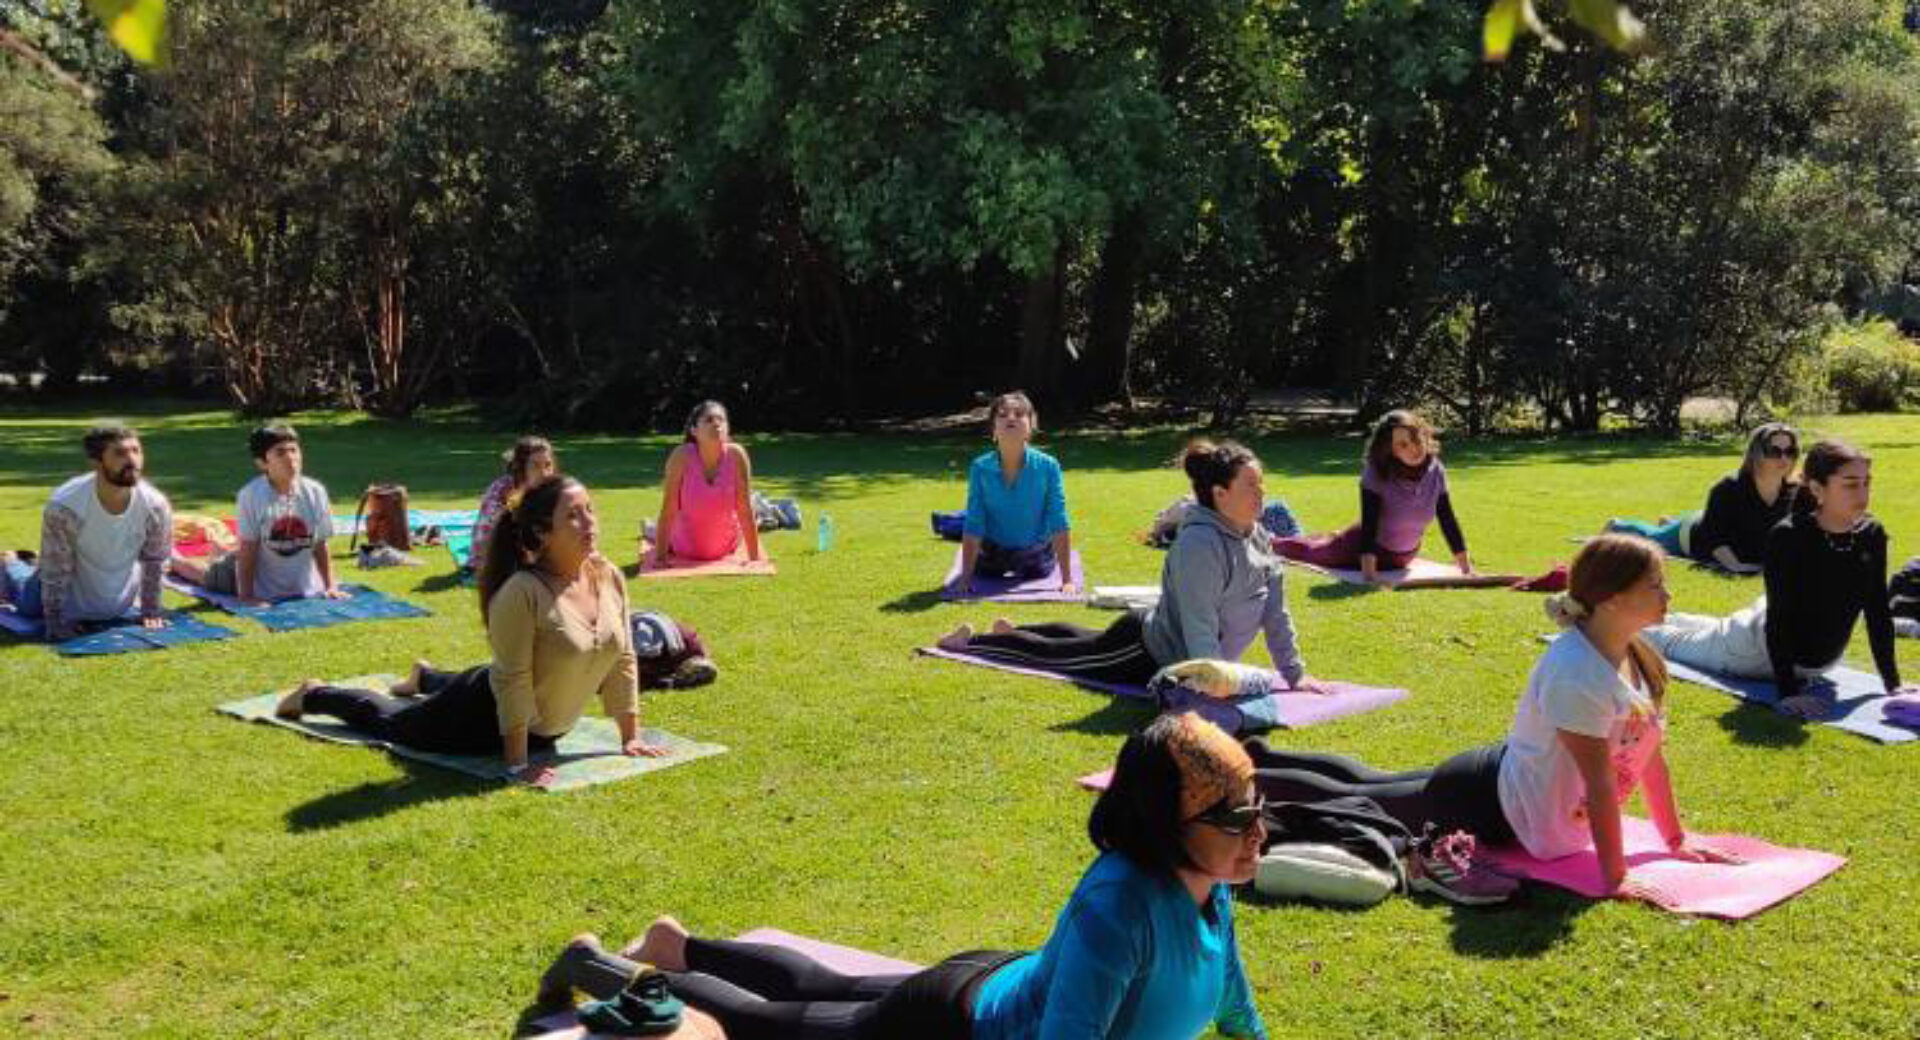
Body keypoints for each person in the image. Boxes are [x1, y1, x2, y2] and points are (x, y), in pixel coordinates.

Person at [535, 712, 1269, 1039]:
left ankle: (676, 942)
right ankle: (602, 970)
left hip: (998, 979)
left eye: (1257, 806)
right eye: (1235, 817)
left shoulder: (1209, 889)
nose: (1257, 833)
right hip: (952, 1024)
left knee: (831, 983)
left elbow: (1230, 994)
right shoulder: (1122, 907)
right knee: (776, 1024)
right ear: (1168, 825)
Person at [1248, 535, 1734, 898]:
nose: (1668, 594)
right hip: (1484, 799)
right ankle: (1245, 772)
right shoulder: (1577, 672)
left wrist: (1675, 838)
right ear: (1612, 598)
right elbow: (1600, 781)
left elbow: (1648, 754)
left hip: (1509, 779)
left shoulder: (1638, 656)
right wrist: (1617, 878)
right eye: (1655, 585)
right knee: (1359, 798)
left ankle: (1257, 755)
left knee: (1374, 782)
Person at [274, 476, 667, 784]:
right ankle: (315, 694)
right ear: (544, 533)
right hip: (482, 715)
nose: (589, 523)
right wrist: (517, 763)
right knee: (391, 721)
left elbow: (623, 657)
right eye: (574, 515)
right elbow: (514, 679)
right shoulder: (522, 591)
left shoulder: (608, 576)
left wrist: (629, 737)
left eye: (590, 510)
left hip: (533, 718)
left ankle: (424, 676)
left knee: (484, 676)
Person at [938, 439, 1327, 692]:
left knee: (1082, 639)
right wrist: (1213, 684)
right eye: (1252, 486)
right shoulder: (1199, 546)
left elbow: (1276, 612)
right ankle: (973, 642)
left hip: (1153, 632)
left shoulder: (1259, 538)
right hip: (1148, 653)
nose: (1263, 494)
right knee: (1063, 657)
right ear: (1220, 494)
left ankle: (1014, 630)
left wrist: (1295, 674)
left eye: (1262, 484)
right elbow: (1200, 625)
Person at [1642, 439, 1913, 719]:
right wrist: (1788, 693)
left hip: (1811, 659)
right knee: (1660, 637)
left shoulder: (1872, 533)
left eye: (1867, 482)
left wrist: (1893, 684)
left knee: (1713, 628)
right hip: (1752, 650)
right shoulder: (1789, 536)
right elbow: (1779, 617)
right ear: (1818, 489)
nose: (1863, 493)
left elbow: (1877, 610)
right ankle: (1601, 619)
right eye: (1850, 484)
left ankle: (1688, 622)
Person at [0, 424, 172, 641]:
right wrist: (55, 620)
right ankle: (10, 564)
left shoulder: (155, 506)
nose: (132, 460)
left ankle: (30, 563)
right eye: (120, 453)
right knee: (27, 604)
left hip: (114, 600)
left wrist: (150, 610)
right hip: (62, 590)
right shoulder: (66, 506)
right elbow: (55, 568)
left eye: (136, 451)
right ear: (96, 462)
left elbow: (155, 560)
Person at [1273, 409, 1474, 583]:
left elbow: (1447, 519)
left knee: (1324, 546)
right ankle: (1268, 542)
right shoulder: (1376, 472)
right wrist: (1369, 574)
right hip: (1359, 546)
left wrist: (1466, 568)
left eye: (1415, 439)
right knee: (1310, 553)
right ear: (1391, 451)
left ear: (1423, 435)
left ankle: (1326, 537)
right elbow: (1370, 524)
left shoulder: (1436, 470)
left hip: (1404, 557)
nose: (1414, 448)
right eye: (1403, 445)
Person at [168, 424, 344, 605]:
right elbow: (248, 549)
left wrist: (330, 585)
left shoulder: (316, 492)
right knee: (202, 576)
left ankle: (220, 550)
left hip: (294, 581)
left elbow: (320, 544)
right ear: (262, 463)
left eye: (294, 450)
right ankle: (173, 558)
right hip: (248, 575)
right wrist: (246, 595)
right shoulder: (250, 495)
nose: (291, 458)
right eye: (280, 453)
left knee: (234, 553)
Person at [1605, 422, 1799, 572]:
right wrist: (1736, 566)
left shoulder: (1795, 492)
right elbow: (1714, 538)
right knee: (1651, 539)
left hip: (1711, 519)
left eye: (1790, 452)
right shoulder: (1728, 488)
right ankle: (1618, 525)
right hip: (1693, 536)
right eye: (1775, 451)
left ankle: (1669, 522)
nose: (1784, 459)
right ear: (1757, 454)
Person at [953, 391, 1072, 594]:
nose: (1010, 418)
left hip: (1035, 555)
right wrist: (965, 579)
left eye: (1018, 414)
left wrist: (1067, 580)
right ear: (993, 429)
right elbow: (974, 521)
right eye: (1002, 415)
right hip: (992, 554)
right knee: (986, 567)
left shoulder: (1048, 466)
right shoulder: (980, 467)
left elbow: (1058, 520)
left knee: (1036, 567)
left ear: (1030, 426)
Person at [650, 401, 764, 567]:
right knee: (655, 530)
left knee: (754, 509)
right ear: (694, 430)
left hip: (725, 546)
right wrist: (660, 559)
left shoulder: (737, 455)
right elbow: (669, 508)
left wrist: (755, 559)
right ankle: (651, 529)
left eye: (721, 419)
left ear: (728, 429)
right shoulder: (681, 456)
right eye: (709, 420)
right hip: (682, 546)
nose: (716, 424)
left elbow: (744, 509)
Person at [470, 436, 558, 568]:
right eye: (536, 465)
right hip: (494, 558)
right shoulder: (502, 489)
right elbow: (490, 533)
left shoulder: (548, 488)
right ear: (521, 467)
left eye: (548, 465)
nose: (544, 473)